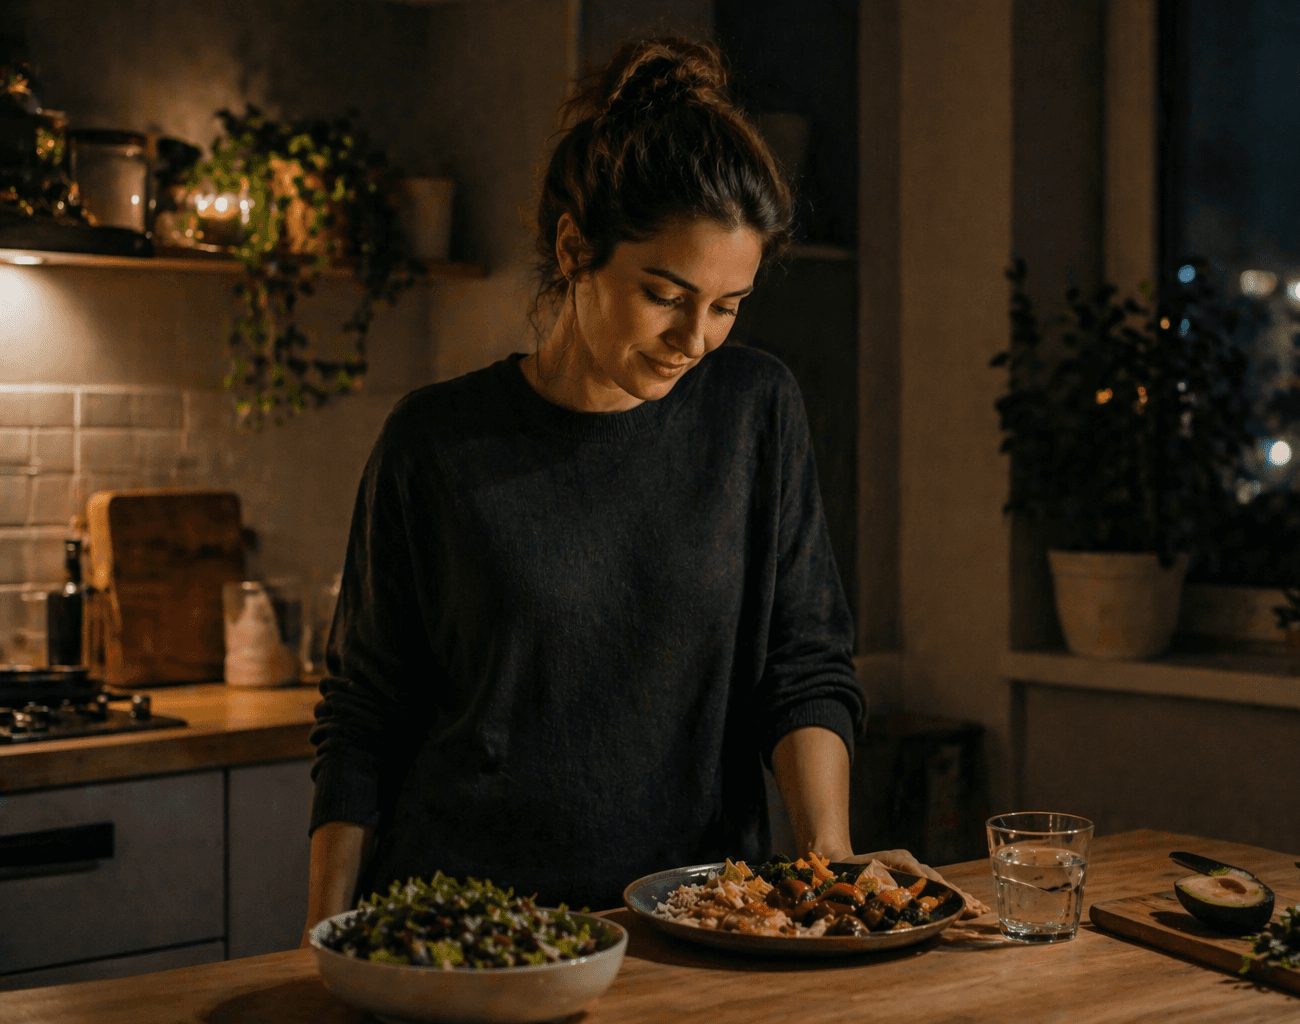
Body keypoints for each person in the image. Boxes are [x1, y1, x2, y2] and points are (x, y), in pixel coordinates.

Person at [304, 38, 978, 934]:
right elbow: (363, 716)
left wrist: (832, 864)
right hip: (466, 927)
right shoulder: (434, 441)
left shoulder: (755, 409)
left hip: (690, 921)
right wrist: (318, 942)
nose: (695, 339)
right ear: (575, 247)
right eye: (665, 294)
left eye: (728, 306)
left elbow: (804, 662)